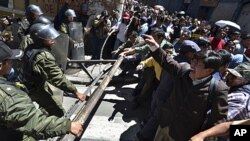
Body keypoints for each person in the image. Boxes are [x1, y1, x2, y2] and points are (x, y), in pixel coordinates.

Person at [142, 34, 229, 141]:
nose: (192, 65)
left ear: (209, 70)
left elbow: (218, 120)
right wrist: (154, 46)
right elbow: (166, 61)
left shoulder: (218, 88)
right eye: (193, 60)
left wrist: (204, 136)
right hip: (165, 125)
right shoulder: (184, 70)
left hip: (184, 135)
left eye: (198, 64)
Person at [0, 41, 83, 141]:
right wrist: (67, 126)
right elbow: (33, 122)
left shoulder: (30, 48)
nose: (11, 63)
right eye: (9, 61)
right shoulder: (9, 97)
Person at [18, 23, 86, 117]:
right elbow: (57, 78)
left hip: (28, 82)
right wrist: (75, 91)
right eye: (48, 37)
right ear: (40, 39)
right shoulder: (43, 56)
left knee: (46, 105)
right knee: (58, 112)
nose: (53, 40)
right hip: (33, 87)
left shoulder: (31, 47)